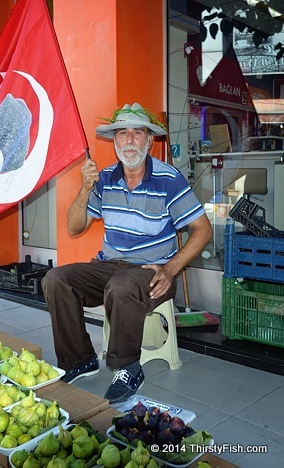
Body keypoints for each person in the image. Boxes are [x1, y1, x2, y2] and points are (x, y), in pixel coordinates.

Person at [42, 103, 213, 406]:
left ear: (149, 141)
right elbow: (74, 226)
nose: (130, 139)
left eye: (138, 133)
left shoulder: (168, 179)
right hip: (110, 266)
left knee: (121, 286)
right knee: (56, 279)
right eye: (123, 133)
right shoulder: (105, 178)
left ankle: (126, 367)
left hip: (154, 270)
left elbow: (203, 230)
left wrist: (171, 269)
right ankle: (79, 359)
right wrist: (85, 188)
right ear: (115, 140)